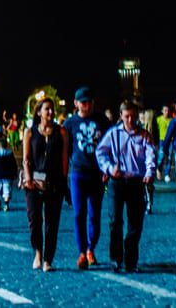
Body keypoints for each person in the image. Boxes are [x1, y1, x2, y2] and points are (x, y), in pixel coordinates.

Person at [96, 99, 155, 273]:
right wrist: (108, 167)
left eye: (133, 116)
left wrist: (149, 172)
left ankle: (131, 260)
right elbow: (101, 152)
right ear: (121, 116)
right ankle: (115, 258)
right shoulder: (113, 134)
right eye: (127, 116)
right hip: (117, 182)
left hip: (136, 182)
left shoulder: (144, 135)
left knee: (135, 223)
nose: (130, 120)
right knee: (115, 221)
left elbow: (150, 155)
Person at [62, 86, 108, 268]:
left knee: (95, 215)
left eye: (89, 102)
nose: (87, 105)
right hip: (78, 173)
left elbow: (110, 144)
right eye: (83, 102)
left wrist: (107, 169)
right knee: (78, 213)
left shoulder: (102, 121)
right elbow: (64, 150)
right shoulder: (70, 124)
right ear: (76, 103)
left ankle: (91, 247)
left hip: (97, 174)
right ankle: (82, 251)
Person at [22, 97, 68, 272]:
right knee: (34, 220)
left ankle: (48, 259)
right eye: (46, 109)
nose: (50, 112)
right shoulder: (30, 132)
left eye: (52, 109)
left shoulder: (61, 133)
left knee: (52, 222)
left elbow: (64, 160)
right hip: (33, 183)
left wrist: (63, 182)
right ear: (39, 112)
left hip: (54, 183)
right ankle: (38, 253)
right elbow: (26, 159)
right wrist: (28, 179)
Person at [0, 137, 18, 212]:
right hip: (8, 175)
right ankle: (6, 204)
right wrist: (15, 173)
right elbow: (14, 164)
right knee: (7, 190)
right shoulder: (10, 153)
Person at [155, 104, 172, 182]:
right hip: (162, 140)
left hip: (170, 141)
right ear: (162, 111)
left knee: (169, 157)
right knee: (161, 157)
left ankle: (167, 174)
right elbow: (154, 130)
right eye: (165, 110)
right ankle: (158, 169)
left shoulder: (171, 120)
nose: (167, 112)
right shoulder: (158, 120)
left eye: (168, 110)